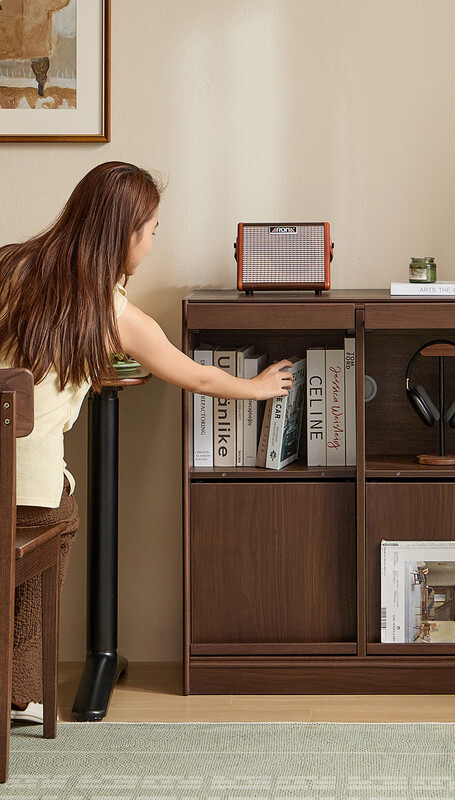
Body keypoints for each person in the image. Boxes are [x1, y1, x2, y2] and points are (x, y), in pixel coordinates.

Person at [0, 161, 292, 722]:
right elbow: (198, 377)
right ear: (127, 235)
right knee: (59, 523)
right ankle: (20, 690)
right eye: (153, 230)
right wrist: (257, 388)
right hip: (28, 492)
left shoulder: (10, 265)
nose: (153, 243)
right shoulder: (110, 311)